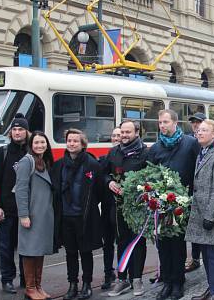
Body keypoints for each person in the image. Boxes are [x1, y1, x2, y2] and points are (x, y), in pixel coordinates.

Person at [148, 109, 200, 300]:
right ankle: (167, 281)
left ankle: (178, 282)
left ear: (175, 123)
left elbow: (197, 170)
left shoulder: (190, 144)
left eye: (165, 122)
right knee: (163, 245)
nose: (162, 126)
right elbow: (150, 174)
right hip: (161, 206)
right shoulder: (155, 148)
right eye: (160, 122)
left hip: (182, 204)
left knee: (177, 245)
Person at [52, 129, 104, 300]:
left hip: (84, 216)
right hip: (66, 216)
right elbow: (55, 190)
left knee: (86, 251)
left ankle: (87, 284)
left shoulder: (92, 164)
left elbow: (99, 190)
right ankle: (72, 284)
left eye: (75, 141)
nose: (72, 144)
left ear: (83, 144)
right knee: (71, 252)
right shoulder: (59, 165)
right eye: (69, 141)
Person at [105, 120, 149, 297]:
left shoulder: (145, 152)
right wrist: (109, 182)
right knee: (121, 242)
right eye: (122, 132)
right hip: (117, 207)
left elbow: (150, 177)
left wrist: (134, 188)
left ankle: (137, 279)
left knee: (138, 242)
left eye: (128, 132)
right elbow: (104, 173)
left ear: (137, 133)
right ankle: (122, 279)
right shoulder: (113, 152)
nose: (124, 135)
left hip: (137, 206)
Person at [186, 119, 214, 300]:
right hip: (199, 212)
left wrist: (211, 215)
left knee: (213, 256)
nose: (199, 133)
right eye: (198, 130)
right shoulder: (202, 153)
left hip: (211, 215)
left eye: (204, 130)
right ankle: (211, 288)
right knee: (205, 254)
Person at [0, 113, 29, 294]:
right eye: (14, 129)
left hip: (27, 209)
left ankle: (26, 278)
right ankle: (7, 279)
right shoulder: (2, 153)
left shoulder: (31, 152)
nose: (17, 132)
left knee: (26, 246)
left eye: (21, 129)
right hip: (7, 209)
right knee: (6, 247)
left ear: (26, 132)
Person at [15, 131, 55, 300]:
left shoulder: (44, 162)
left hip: (43, 214)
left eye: (43, 142)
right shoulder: (27, 161)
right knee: (30, 251)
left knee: (39, 251)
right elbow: (21, 190)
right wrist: (23, 215)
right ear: (31, 145)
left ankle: (38, 286)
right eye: (36, 143)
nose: (40, 145)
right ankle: (30, 288)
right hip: (32, 214)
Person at [100, 127, 122, 290]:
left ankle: (123, 273)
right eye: (113, 136)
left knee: (121, 241)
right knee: (107, 242)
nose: (115, 138)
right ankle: (108, 273)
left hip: (122, 207)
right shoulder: (104, 158)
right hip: (108, 206)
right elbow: (101, 175)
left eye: (119, 136)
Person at [186, 112, 208, 272]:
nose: (196, 125)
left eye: (198, 122)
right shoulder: (189, 139)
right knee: (192, 225)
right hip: (190, 187)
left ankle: (198, 258)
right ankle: (194, 258)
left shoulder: (203, 141)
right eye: (193, 122)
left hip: (201, 188)